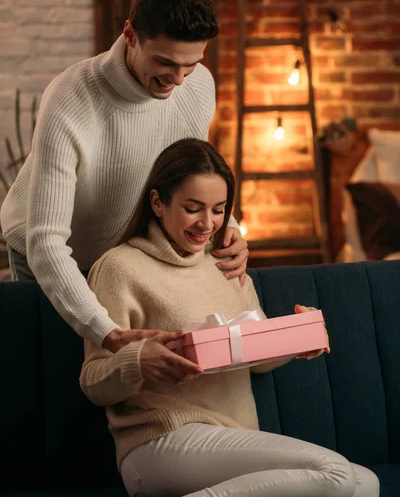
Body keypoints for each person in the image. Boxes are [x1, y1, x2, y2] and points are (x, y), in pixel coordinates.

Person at [80, 138, 379, 497]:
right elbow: (93, 382)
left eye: (219, 209)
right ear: (158, 203)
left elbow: (256, 361)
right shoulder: (119, 268)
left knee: (364, 483)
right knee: (335, 473)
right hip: (161, 442)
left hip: (234, 439)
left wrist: (297, 338)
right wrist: (138, 361)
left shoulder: (227, 262)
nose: (207, 223)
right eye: (193, 208)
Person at [0, 0, 248, 353]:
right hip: (46, 253)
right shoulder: (70, 99)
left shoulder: (197, 87)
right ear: (130, 34)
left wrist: (230, 228)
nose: (178, 80)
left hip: (121, 257)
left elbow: (191, 175)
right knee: (56, 376)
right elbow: (46, 242)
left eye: (191, 65)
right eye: (166, 62)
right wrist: (106, 331)